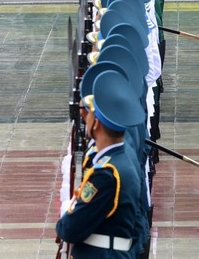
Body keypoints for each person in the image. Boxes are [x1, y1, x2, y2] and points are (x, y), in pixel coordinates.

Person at [56, 69, 143, 258]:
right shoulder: (124, 157)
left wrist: (66, 217)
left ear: (96, 123)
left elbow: (70, 229)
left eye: (89, 114)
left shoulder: (105, 173)